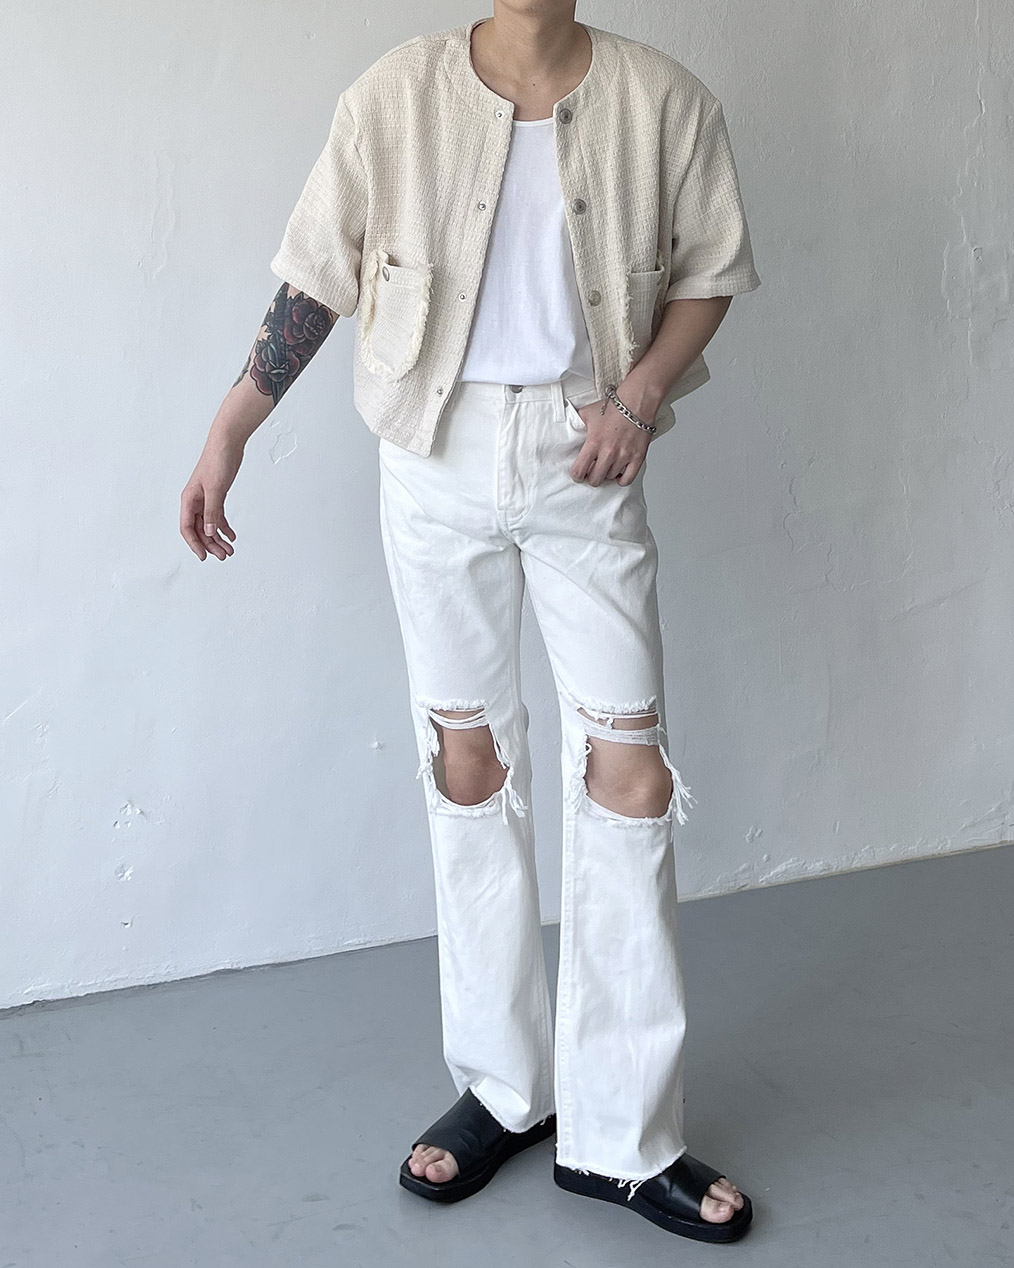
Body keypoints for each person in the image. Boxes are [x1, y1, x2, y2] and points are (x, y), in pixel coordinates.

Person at [180, 3, 760, 1246]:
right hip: (432, 459)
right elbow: (318, 273)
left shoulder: (664, 100)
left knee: (630, 772)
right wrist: (232, 427)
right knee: (468, 763)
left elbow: (710, 269)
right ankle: (505, 1086)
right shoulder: (396, 94)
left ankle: (625, 1132)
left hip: (588, 456)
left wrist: (640, 396)